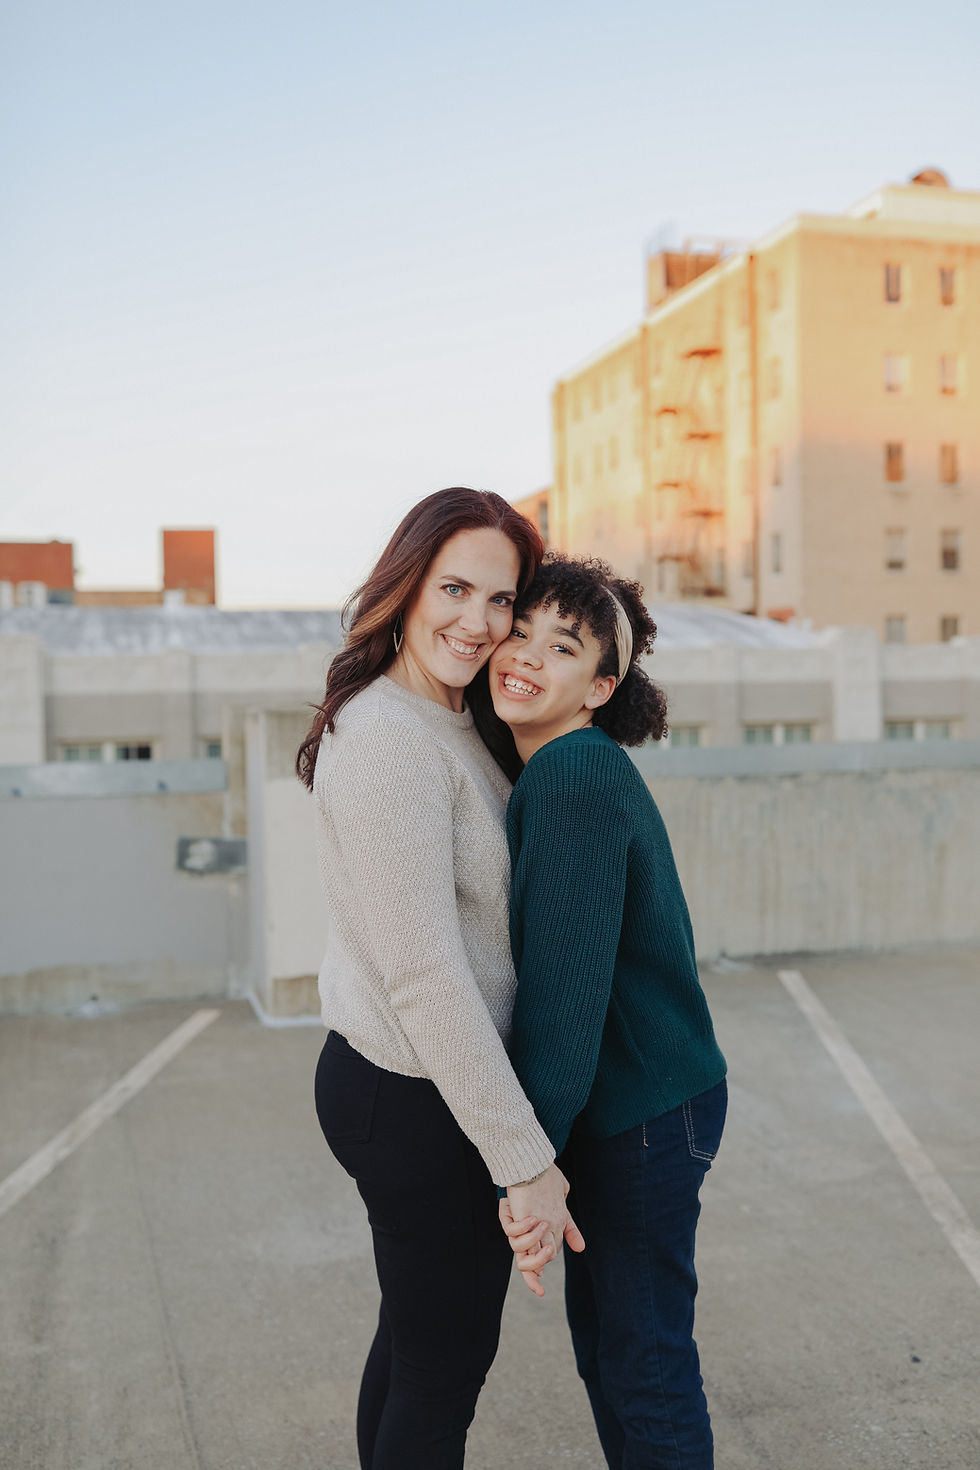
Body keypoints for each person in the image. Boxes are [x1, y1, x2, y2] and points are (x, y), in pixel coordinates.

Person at [297, 488, 582, 1470]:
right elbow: (423, 973)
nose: (477, 621)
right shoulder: (385, 740)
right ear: (406, 581)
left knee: (417, 1344)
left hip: (422, 1086)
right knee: (443, 1362)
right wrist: (522, 1159)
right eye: (454, 587)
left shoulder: (452, 719)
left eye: (499, 600)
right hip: (414, 1094)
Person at [490, 553, 728, 1470]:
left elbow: (566, 998)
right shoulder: (560, 767)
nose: (525, 657)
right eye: (520, 633)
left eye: (563, 647)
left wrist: (526, 1166)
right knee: (618, 1359)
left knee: (644, 1367)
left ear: (599, 685)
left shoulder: (575, 775)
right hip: (643, 1108)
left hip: (641, 1121)